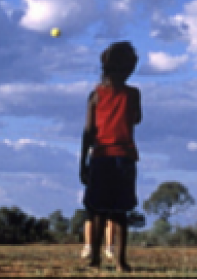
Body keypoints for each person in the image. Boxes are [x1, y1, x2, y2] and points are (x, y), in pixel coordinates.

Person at [80, 41, 141, 272]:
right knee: (120, 212)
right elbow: (137, 119)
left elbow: (88, 132)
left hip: (100, 157)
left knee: (97, 211)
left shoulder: (95, 96)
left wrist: (82, 163)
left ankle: (95, 260)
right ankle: (120, 261)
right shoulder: (133, 94)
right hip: (124, 157)